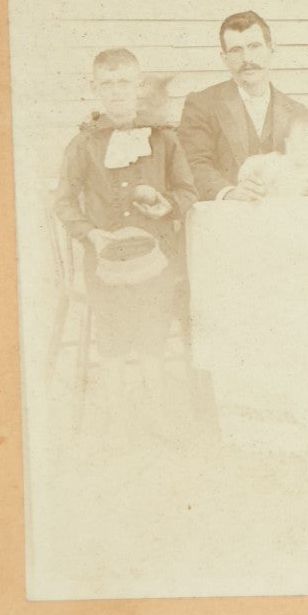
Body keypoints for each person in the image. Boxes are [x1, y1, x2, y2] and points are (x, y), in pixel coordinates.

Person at [53, 48, 197, 433]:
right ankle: (116, 419)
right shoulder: (83, 145)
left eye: (124, 83)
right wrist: (90, 233)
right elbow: (64, 202)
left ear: (139, 86)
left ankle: (157, 415)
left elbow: (187, 192)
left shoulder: (164, 139)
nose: (116, 92)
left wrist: (165, 204)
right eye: (107, 83)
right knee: (113, 337)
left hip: (157, 259)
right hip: (104, 258)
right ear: (94, 88)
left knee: (153, 334)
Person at [178, 11, 308, 201]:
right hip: (229, 217)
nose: (247, 58)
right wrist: (228, 192)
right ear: (224, 58)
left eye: (254, 46)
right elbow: (194, 163)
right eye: (236, 50)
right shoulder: (201, 105)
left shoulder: (297, 112)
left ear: (271, 49)